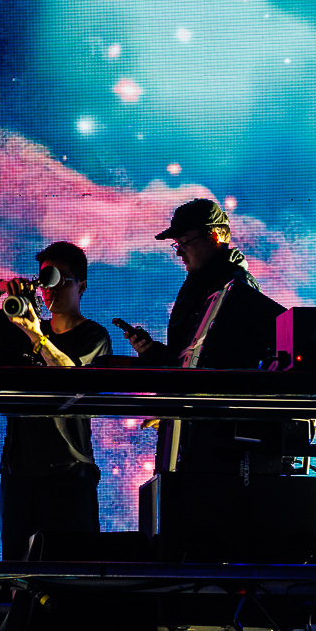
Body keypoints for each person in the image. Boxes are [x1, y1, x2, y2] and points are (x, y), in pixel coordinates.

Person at [0, 242, 113, 561]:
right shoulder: (26, 328)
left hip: (69, 472)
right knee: (18, 569)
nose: (52, 289)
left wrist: (37, 335)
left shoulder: (94, 336)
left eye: (62, 280)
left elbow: (72, 378)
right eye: (47, 280)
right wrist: (0, 289)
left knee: (72, 569)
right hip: (19, 472)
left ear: (82, 286)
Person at [114, 198, 284, 471]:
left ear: (214, 236)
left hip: (219, 447)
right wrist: (151, 351)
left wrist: (181, 405)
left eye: (185, 242)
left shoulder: (234, 288)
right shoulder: (205, 286)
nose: (179, 253)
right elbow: (190, 362)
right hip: (199, 437)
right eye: (177, 245)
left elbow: (230, 367)